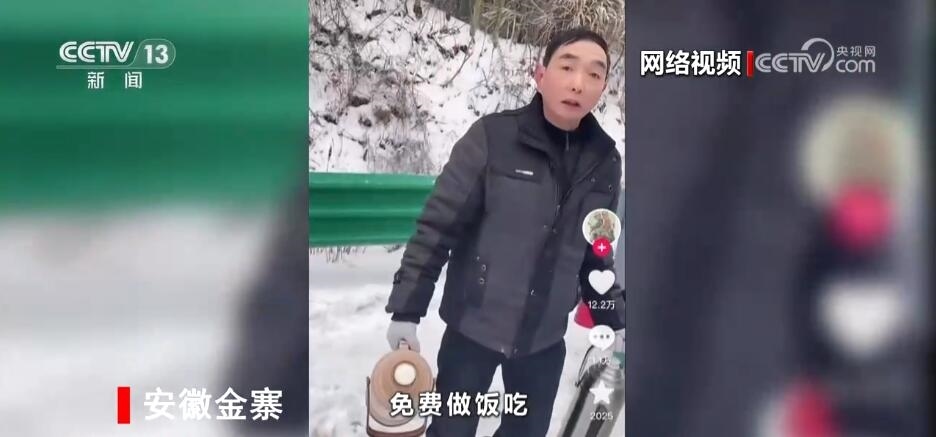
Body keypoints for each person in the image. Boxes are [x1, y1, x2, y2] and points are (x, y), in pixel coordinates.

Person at [384, 27, 625, 437]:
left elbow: (596, 257)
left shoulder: (606, 162)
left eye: (594, 74)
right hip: (472, 330)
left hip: (544, 342)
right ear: (540, 74)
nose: (578, 83)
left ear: (603, 87)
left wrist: (614, 320)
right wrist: (407, 311)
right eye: (567, 67)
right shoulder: (492, 139)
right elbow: (437, 228)